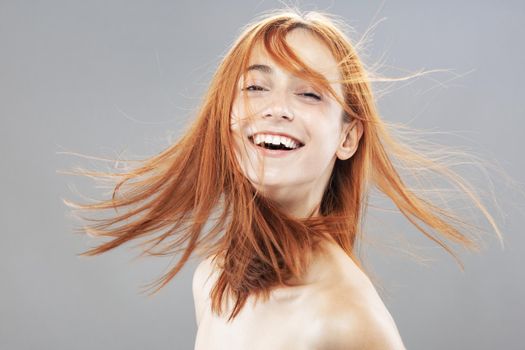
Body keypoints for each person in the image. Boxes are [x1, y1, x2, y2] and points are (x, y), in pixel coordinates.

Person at [62, 7, 504, 350]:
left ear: (348, 136)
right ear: (227, 116)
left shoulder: (344, 314)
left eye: (309, 92)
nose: (276, 107)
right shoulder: (213, 279)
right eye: (255, 87)